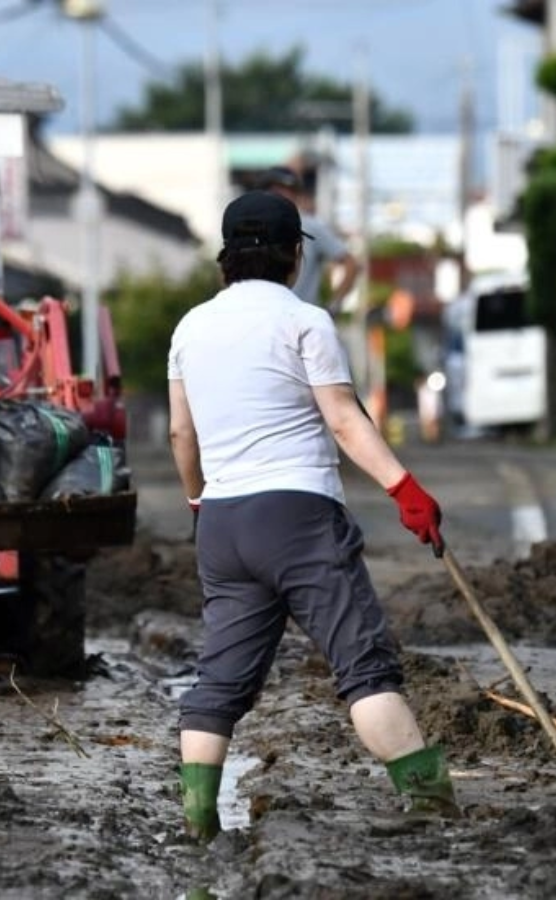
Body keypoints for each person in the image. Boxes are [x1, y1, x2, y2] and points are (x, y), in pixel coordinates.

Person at [167, 189, 456, 842]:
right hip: (297, 515)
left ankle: (197, 825)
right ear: (295, 255)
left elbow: (182, 437)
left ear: (226, 259)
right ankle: (435, 810)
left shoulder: (190, 328)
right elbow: (345, 420)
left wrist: (196, 501)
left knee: (218, 684)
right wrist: (403, 487)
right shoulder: (305, 322)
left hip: (221, 522)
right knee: (365, 670)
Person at [257, 166, 359, 315]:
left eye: (290, 190)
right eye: (276, 190)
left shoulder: (309, 226)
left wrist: (333, 306)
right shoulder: (250, 225)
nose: (283, 195)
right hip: (259, 318)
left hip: (300, 320)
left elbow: (350, 264)